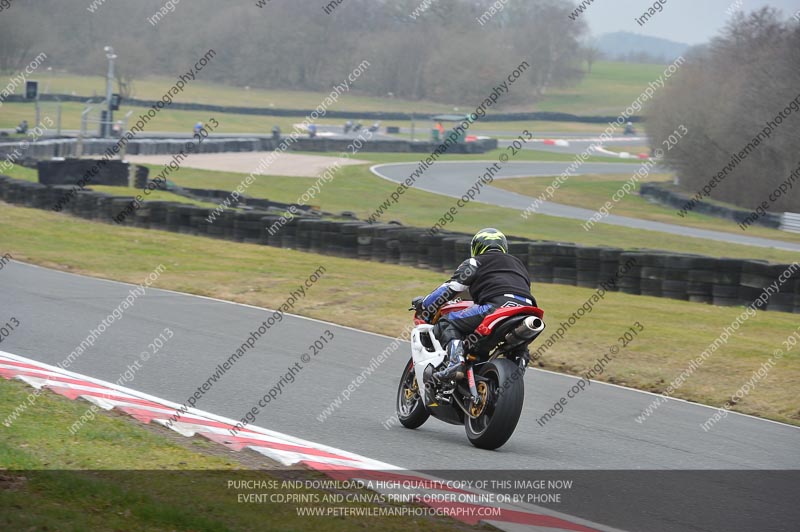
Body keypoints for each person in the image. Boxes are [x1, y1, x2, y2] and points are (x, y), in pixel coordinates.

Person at [420, 228, 537, 382]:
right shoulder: (519, 264)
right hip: (529, 311)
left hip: (497, 306)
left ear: (476, 247)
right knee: (519, 345)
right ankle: (517, 370)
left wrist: (425, 304)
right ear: (503, 246)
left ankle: (455, 363)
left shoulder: (475, 262)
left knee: (448, 321)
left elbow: (451, 288)